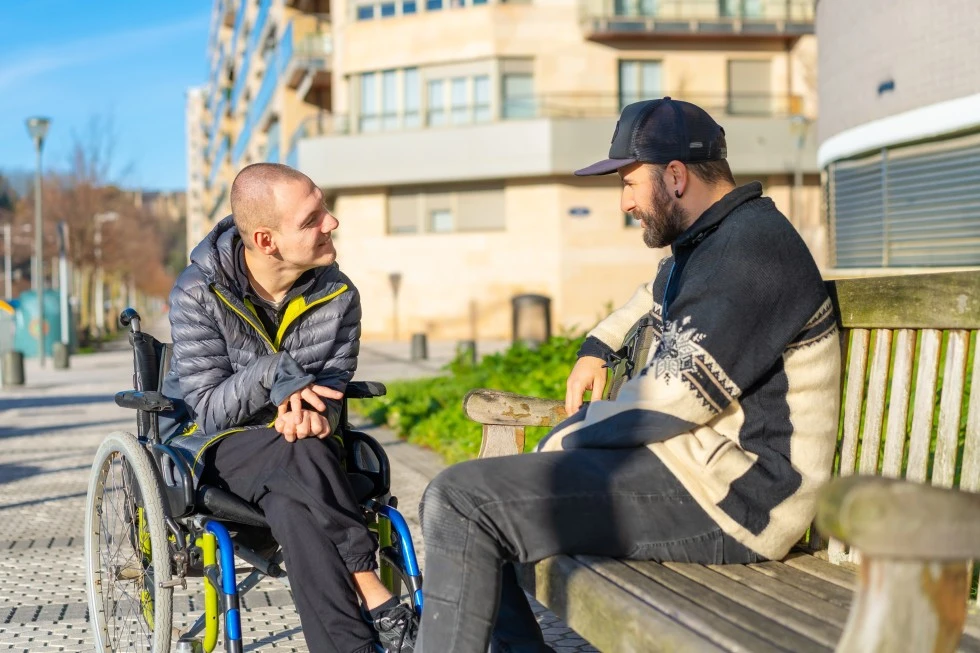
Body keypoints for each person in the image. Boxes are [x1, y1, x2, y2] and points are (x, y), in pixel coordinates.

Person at [415, 98, 842, 652]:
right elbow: (652, 298)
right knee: (465, 500)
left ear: (675, 176)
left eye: (628, 182)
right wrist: (599, 345)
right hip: (695, 471)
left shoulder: (753, 252)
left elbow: (667, 401)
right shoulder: (711, 241)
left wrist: (562, 440)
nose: (625, 203)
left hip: (741, 500)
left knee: (462, 502)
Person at [161, 163, 417, 653]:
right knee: (299, 451)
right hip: (220, 450)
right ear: (266, 239)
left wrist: (308, 411)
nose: (332, 223)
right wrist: (272, 376)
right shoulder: (199, 292)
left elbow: (331, 387)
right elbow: (210, 410)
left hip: (308, 452)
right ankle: (373, 591)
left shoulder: (338, 295)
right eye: (312, 218)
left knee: (294, 507)